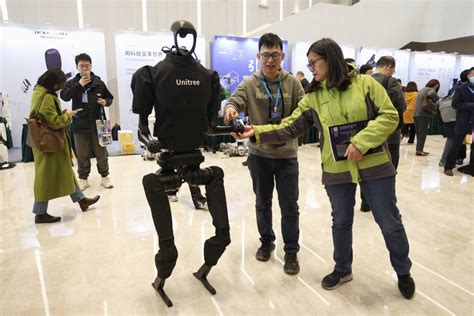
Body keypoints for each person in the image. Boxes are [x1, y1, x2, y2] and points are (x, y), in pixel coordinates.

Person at [233, 38, 415, 299]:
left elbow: (390, 116)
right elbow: (291, 125)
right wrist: (257, 132)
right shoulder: (314, 97)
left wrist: (361, 142)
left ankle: (403, 272)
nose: (311, 70)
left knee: (389, 222)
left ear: (330, 59)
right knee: (341, 221)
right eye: (308, 65)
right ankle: (342, 269)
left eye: (313, 63)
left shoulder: (366, 85)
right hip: (336, 169)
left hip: (375, 166)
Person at [224, 33, 305, 275]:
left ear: (282, 56)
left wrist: (292, 119)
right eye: (266, 55)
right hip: (259, 156)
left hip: (288, 156)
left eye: (275, 55)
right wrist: (230, 110)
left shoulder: (293, 83)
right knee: (262, 203)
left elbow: (304, 110)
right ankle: (266, 242)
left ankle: (291, 251)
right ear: (258, 56)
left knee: (290, 205)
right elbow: (235, 100)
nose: (270, 60)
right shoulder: (249, 83)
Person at [29, 69, 100, 223]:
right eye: (59, 84)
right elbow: (54, 121)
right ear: (53, 83)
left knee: (65, 171)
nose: (60, 87)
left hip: (48, 142)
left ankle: (81, 200)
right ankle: (40, 213)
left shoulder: (38, 91)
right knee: (45, 177)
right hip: (49, 143)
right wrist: (68, 115)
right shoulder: (47, 97)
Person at [60, 53, 114, 190]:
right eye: (81, 66)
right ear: (77, 67)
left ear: (91, 66)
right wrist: (78, 85)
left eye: (87, 65)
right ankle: (83, 178)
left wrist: (105, 102)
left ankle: (105, 177)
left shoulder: (99, 82)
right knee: (82, 153)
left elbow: (110, 98)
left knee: (101, 152)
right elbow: (64, 96)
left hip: (99, 123)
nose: (84, 68)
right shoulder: (71, 82)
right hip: (79, 123)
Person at [444, 67, 474, 176]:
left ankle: (471, 168)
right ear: (469, 76)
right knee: (456, 146)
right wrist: (471, 105)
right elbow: (455, 104)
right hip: (463, 121)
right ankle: (448, 167)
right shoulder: (461, 89)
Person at [439, 70, 469, 167]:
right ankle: (444, 160)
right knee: (452, 139)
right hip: (454, 117)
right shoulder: (461, 88)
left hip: (454, 116)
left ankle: (452, 159)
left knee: (454, 139)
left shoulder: (457, 86)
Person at [413, 79, 440, 156]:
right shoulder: (431, 90)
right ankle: (419, 150)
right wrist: (436, 107)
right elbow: (436, 99)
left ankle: (419, 149)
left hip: (416, 114)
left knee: (419, 133)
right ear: (436, 85)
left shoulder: (422, 90)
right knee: (423, 133)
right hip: (424, 114)